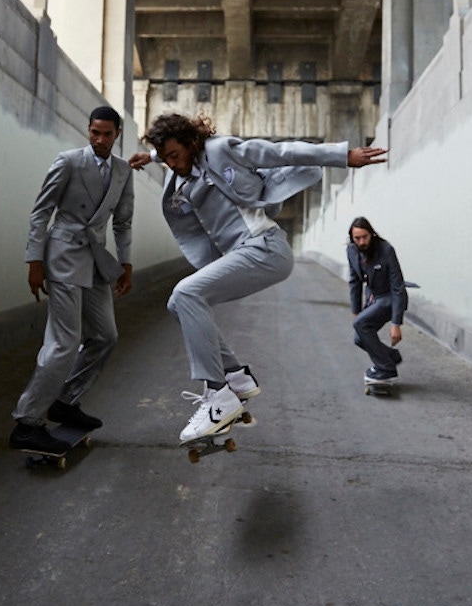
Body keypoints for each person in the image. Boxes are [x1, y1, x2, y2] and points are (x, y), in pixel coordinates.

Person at [129, 113, 386, 443]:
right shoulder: (181, 172)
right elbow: (173, 155)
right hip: (243, 253)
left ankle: (218, 395)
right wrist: (152, 156)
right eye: (165, 159)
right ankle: (236, 377)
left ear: (192, 144)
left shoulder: (223, 150)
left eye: (174, 156)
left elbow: (281, 153)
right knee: (180, 303)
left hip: (265, 246)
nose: (172, 165)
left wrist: (341, 156)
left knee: (185, 294)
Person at [9, 105, 134, 455]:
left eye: (106, 134)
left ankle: (64, 400)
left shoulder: (123, 171)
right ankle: (27, 421)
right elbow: (41, 211)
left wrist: (126, 264)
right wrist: (35, 260)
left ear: (116, 134)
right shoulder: (68, 161)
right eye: (94, 132)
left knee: (106, 335)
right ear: (89, 130)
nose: (99, 139)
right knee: (64, 341)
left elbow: (122, 223)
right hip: (62, 255)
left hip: (96, 260)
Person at [347, 216, 408, 385]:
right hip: (374, 298)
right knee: (359, 338)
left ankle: (386, 368)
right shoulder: (351, 251)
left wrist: (396, 324)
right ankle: (391, 356)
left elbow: (398, 287)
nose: (361, 242)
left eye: (364, 237)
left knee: (361, 325)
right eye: (357, 238)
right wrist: (356, 312)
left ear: (371, 234)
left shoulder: (386, 249)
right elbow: (355, 282)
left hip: (390, 297)